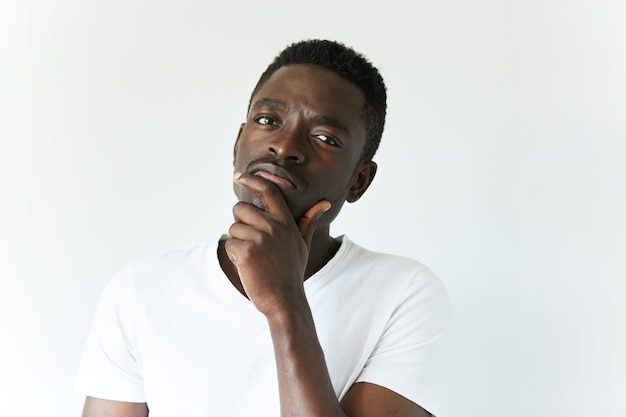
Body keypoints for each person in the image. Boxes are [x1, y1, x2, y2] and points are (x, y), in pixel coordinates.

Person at [74, 39, 450, 417]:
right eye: (268, 121)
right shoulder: (141, 287)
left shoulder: (404, 292)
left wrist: (285, 303)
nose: (285, 147)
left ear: (359, 180)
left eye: (324, 138)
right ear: (238, 142)